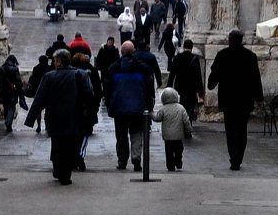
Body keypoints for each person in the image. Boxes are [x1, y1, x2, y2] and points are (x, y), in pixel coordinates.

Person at [24, 49, 93, 185]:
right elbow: (89, 95)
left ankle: (58, 168)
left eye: (55, 61)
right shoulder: (81, 75)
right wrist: (89, 114)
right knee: (70, 145)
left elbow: (40, 98)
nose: (54, 63)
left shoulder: (49, 76)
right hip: (74, 116)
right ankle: (65, 175)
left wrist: (31, 119)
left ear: (59, 61)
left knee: (57, 143)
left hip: (54, 116)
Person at [207, 29, 263, 170]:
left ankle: (234, 159)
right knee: (242, 130)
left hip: (228, 100)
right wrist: (259, 98)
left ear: (229, 39)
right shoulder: (250, 56)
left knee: (230, 130)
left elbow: (214, 75)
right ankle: (238, 157)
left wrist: (211, 84)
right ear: (242, 40)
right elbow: (256, 79)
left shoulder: (222, 55)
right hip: (244, 100)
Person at [103, 41, 155, 171]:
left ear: (121, 52)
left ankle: (122, 160)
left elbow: (107, 88)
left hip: (119, 108)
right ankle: (136, 158)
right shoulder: (142, 68)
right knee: (137, 133)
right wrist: (149, 104)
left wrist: (109, 103)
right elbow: (149, 88)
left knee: (121, 136)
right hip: (138, 107)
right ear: (134, 52)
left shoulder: (114, 67)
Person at [71, 52, 103, 171]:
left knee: (74, 133)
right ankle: (80, 155)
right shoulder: (92, 72)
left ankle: (74, 157)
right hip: (88, 108)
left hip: (74, 108)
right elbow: (97, 90)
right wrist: (96, 105)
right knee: (85, 133)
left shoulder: (71, 72)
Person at [151, 88, 192, 171]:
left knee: (169, 152)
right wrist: (188, 130)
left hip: (168, 137)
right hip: (178, 135)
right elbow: (186, 120)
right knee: (179, 149)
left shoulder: (163, 109)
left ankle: (170, 165)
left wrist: (151, 114)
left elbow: (157, 118)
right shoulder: (181, 108)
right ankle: (178, 161)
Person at [167, 38, 205, 122]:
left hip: (179, 86)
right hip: (191, 88)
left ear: (183, 47)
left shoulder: (177, 57)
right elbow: (198, 76)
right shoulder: (195, 59)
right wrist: (200, 91)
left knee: (180, 106)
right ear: (191, 48)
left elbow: (172, 73)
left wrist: (169, 86)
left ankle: (181, 125)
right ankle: (188, 125)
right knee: (190, 108)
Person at [0, 55, 25, 133]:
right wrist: (20, 86)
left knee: (6, 107)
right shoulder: (15, 69)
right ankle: (8, 122)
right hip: (12, 92)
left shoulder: (1, 69)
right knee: (11, 107)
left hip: (3, 91)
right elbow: (18, 81)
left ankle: (7, 121)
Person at [26, 55, 51, 133]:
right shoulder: (49, 68)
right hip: (48, 91)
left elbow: (33, 79)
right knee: (48, 109)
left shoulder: (36, 68)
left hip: (38, 91)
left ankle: (39, 125)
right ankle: (47, 125)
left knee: (38, 109)